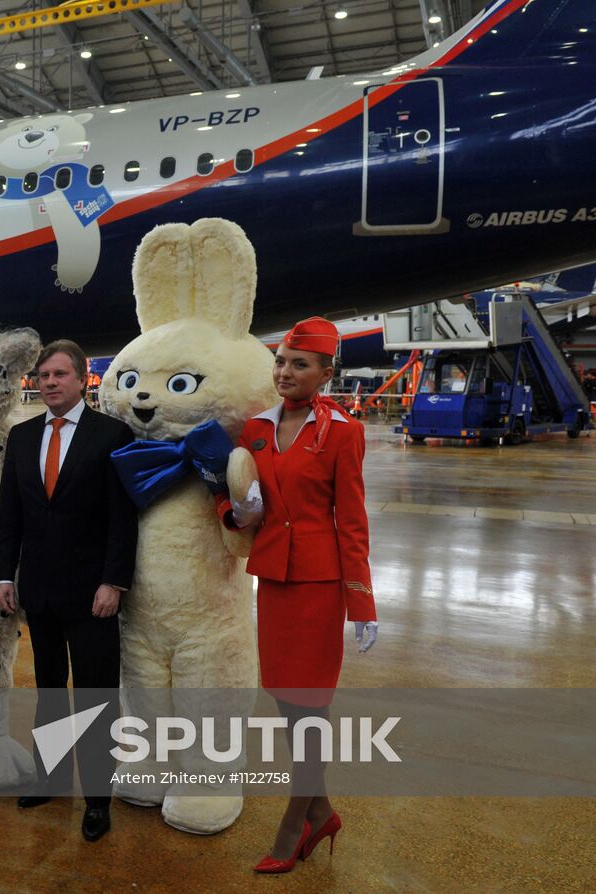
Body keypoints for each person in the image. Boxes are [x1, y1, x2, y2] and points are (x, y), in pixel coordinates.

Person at [223, 316, 379, 873]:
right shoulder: (257, 429)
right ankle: (323, 813)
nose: (284, 372)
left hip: (318, 584)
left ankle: (294, 826)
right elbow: (237, 493)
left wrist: (361, 600)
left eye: (299, 364)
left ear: (325, 373)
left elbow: (352, 521)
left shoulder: (343, 432)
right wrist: (237, 511)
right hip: (274, 578)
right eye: (282, 361)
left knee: (310, 709)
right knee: (289, 704)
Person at [0, 340, 138, 842]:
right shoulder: (23, 435)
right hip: (40, 588)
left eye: (59, 374)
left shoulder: (112, 435)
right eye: (43, 375)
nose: (49, 382)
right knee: (50, 692)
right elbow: (10, 513)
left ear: (82, 379)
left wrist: (113, 580)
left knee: (96, 696)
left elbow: (123, 519)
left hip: (93, 591)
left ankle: (98, 798)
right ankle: (49, 777)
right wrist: (5, 575)